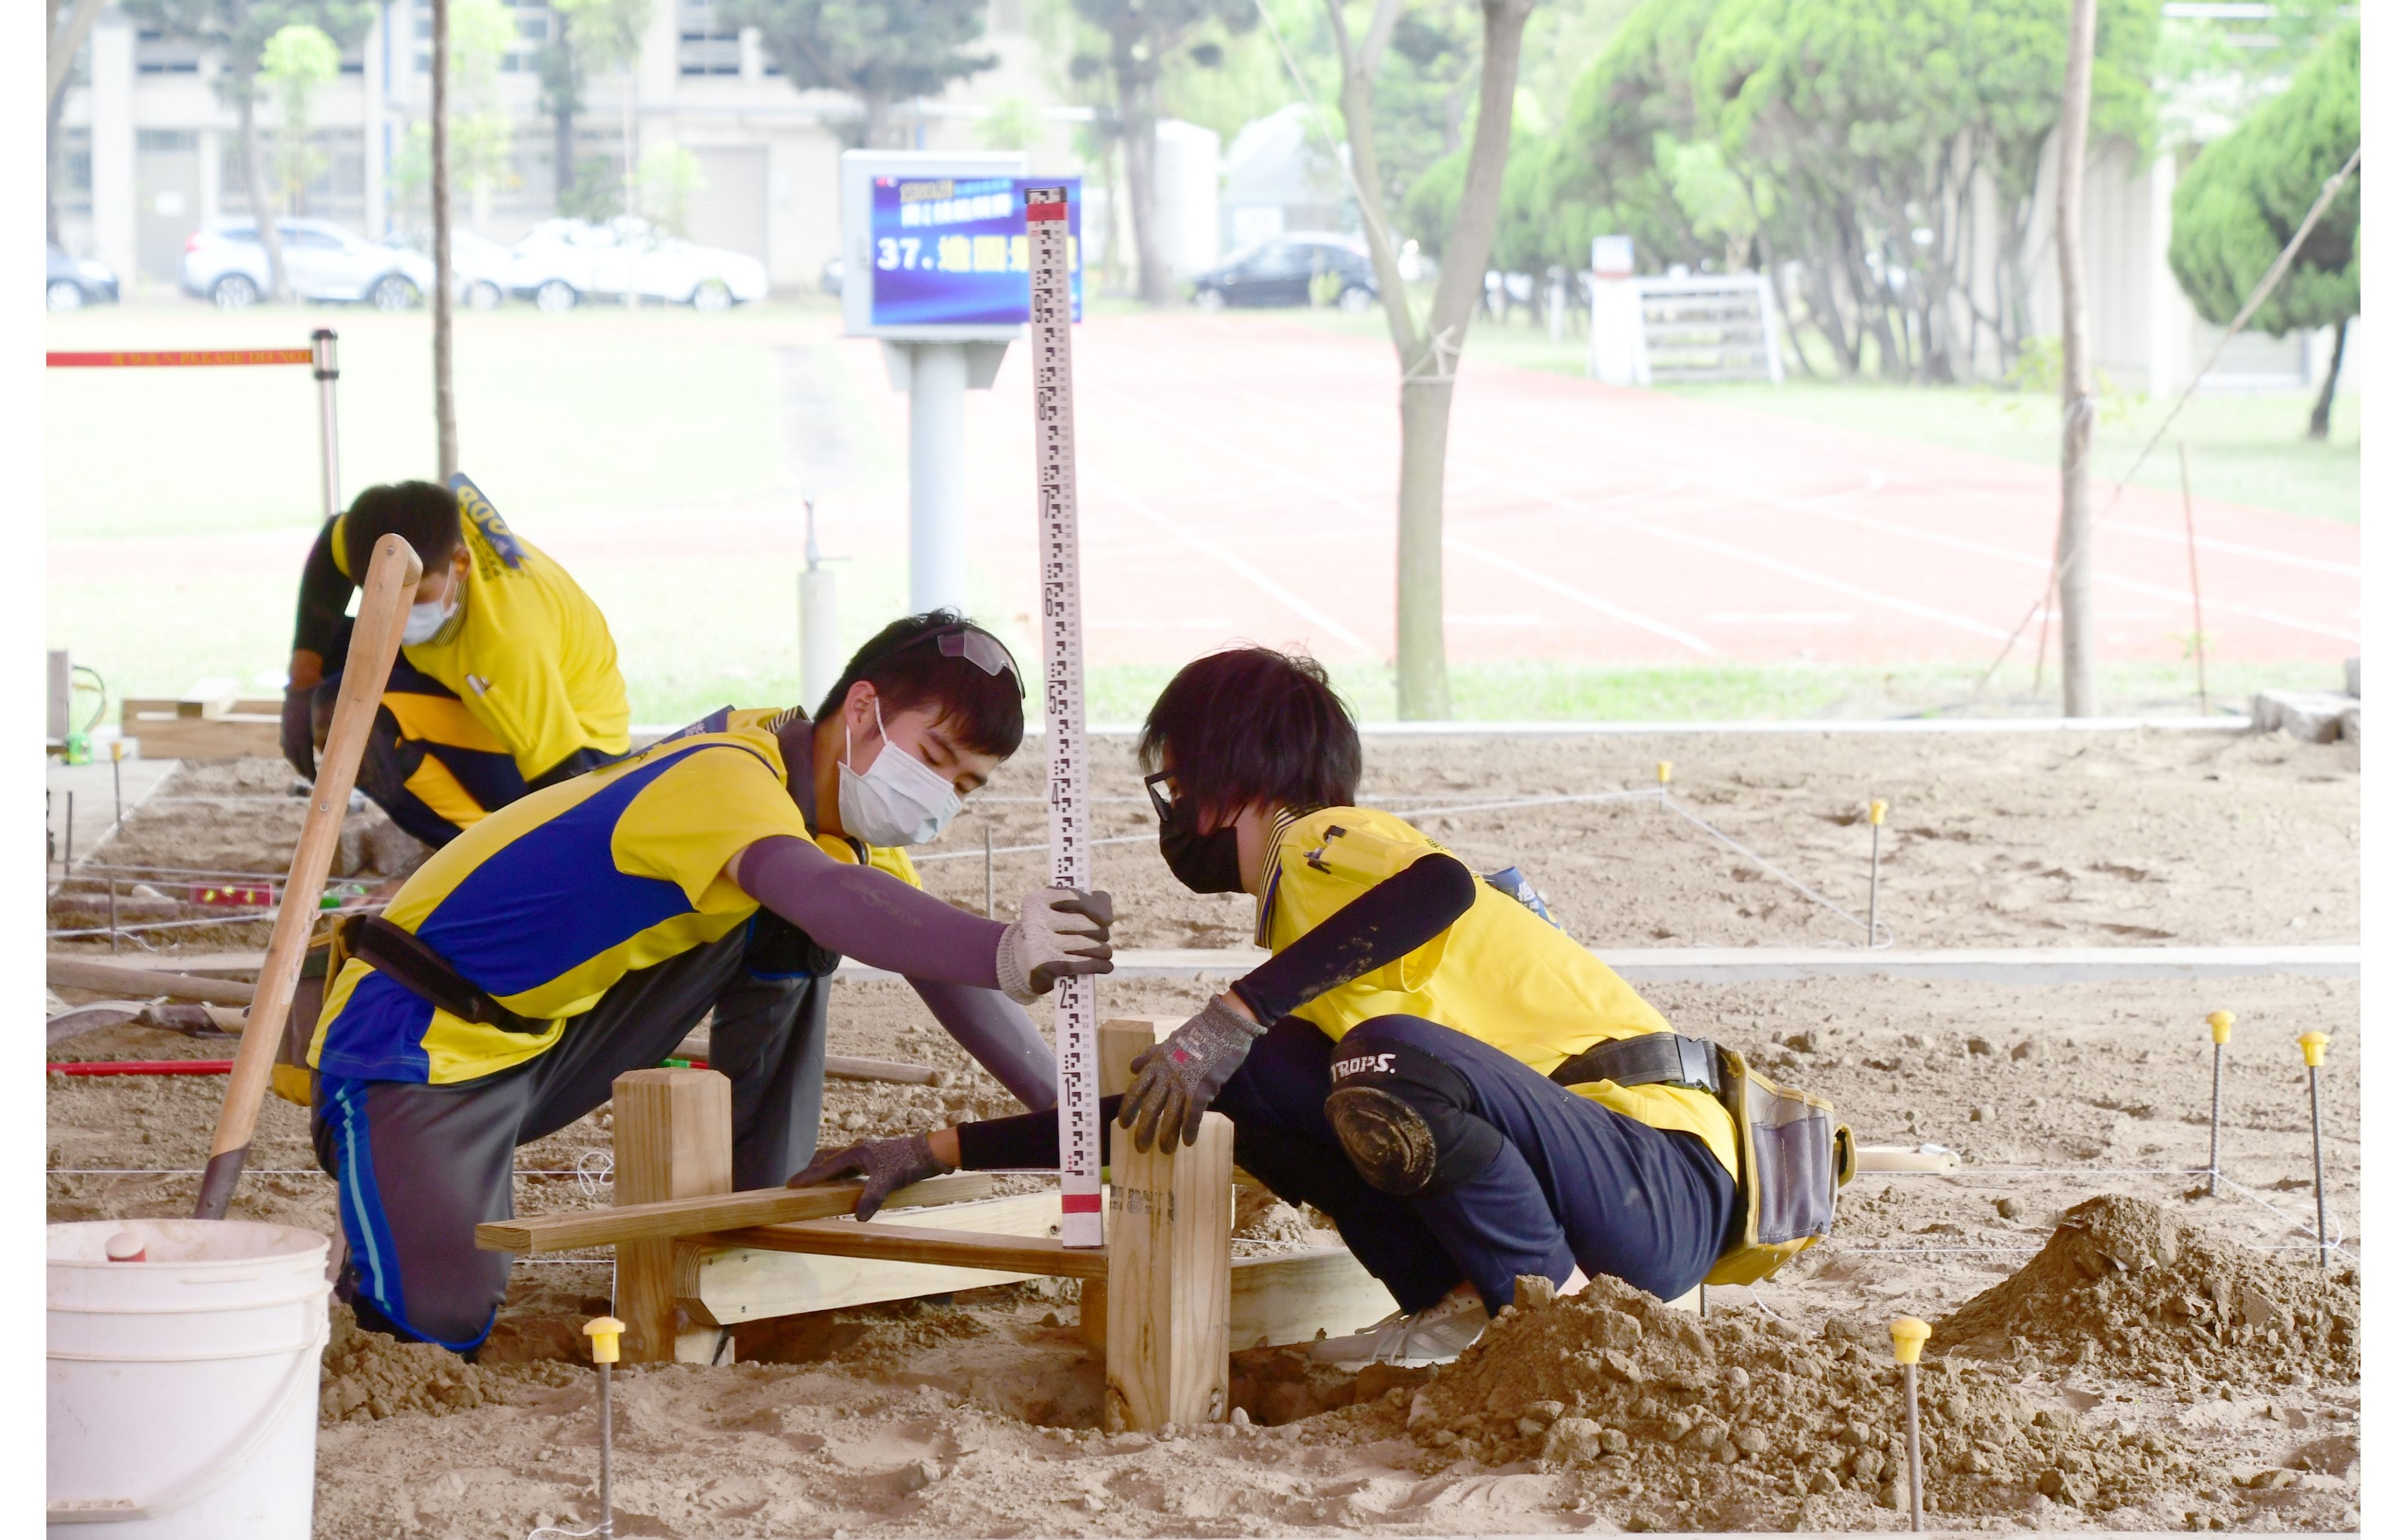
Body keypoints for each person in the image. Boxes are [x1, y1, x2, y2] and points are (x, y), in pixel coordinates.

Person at [798, 646, 1742, 1367]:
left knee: (1382, 1056)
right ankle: (1456, 1299)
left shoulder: (1324, 840)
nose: (1172, 806)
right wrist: (937, 1149)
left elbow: (1443, 887)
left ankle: (1561, 1329)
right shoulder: (1327, 935)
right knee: (1260, 1084)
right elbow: (1172, 1110)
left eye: (1175, 776)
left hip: (1656, 1175)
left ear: (1226, 775)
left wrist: (1239, 1006)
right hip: (1614, 1192)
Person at [307, 611, 1114, 1352]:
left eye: (963, 786)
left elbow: (926, 955)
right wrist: (1008, 946)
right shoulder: (729, 775)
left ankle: (756, 1218)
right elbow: (835, 901)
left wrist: (1078, 1117)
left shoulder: (828, 804)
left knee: (805, 918)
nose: (939, 795)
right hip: (416, 1034)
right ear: (863, 709)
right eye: (936, 757)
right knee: (431, 1326)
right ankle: (386, 1191)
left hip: (547, 1038)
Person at [283, 476, 631, 850]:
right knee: (331, 654)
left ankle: (479, 854)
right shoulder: (411, 535)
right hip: (484, 688)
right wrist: (302, 685)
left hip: (583, 755)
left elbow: (565, 781)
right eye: (379, 595)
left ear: (461, 564)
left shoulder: (508, 644)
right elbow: (331, 546)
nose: (396, 614)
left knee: (351, 719)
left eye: (413, 596)